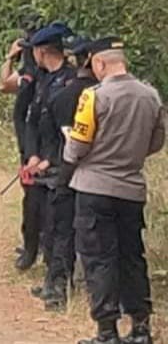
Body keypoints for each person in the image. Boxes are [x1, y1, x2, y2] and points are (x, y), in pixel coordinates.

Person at [66, 38, 166, 344]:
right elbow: (157, 141)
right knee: (132, 257)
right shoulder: (151, 95)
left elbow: (76, 147)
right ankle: (140, 328)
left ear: (99, 63)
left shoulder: (94, 96)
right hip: (131, 190)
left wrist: (76, 152)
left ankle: (107, 331)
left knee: (99, 259)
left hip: (95, 189)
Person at [22, 23, 76, 309]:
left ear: (43, 51)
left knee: (61, 226)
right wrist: (31, 155)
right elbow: (32, 120)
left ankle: (59, 285)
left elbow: (68, 132)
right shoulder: (43, 80)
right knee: (45, 224)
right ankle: (50, 277)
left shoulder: (70, 83)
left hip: (61, 166)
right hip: (41, 162)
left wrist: (49, 160)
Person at [0, 16, 45, 272]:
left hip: (43, 143)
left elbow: (4, 85)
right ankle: (32, 246)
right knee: (32, 195)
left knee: (38, 198)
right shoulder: (28, 68)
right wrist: (10, 58)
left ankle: (35, 249)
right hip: (27, 142)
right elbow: (4, 85)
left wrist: (10, 57)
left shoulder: (49, 72)